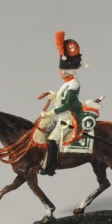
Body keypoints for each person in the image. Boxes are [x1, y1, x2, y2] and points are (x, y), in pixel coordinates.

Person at [39, 31, 86, 176]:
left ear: (67, 71)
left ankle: (50, 167)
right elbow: (62, 101)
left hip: (70, 117)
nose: (60, 72)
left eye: (62, 70)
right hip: (63, 116)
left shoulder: (74, 85)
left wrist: (49, 113)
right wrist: (54, 97)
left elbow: (67, 106)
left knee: (52, 139)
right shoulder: (67, 84)